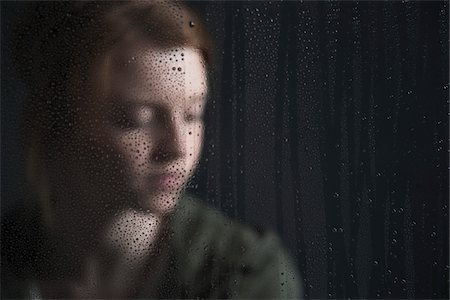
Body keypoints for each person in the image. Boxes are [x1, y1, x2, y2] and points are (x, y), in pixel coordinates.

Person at [1, 1, 302, 298]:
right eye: (138, 119)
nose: (178, 147)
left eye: (193, 114)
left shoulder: (240, 273)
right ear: (60, 121)